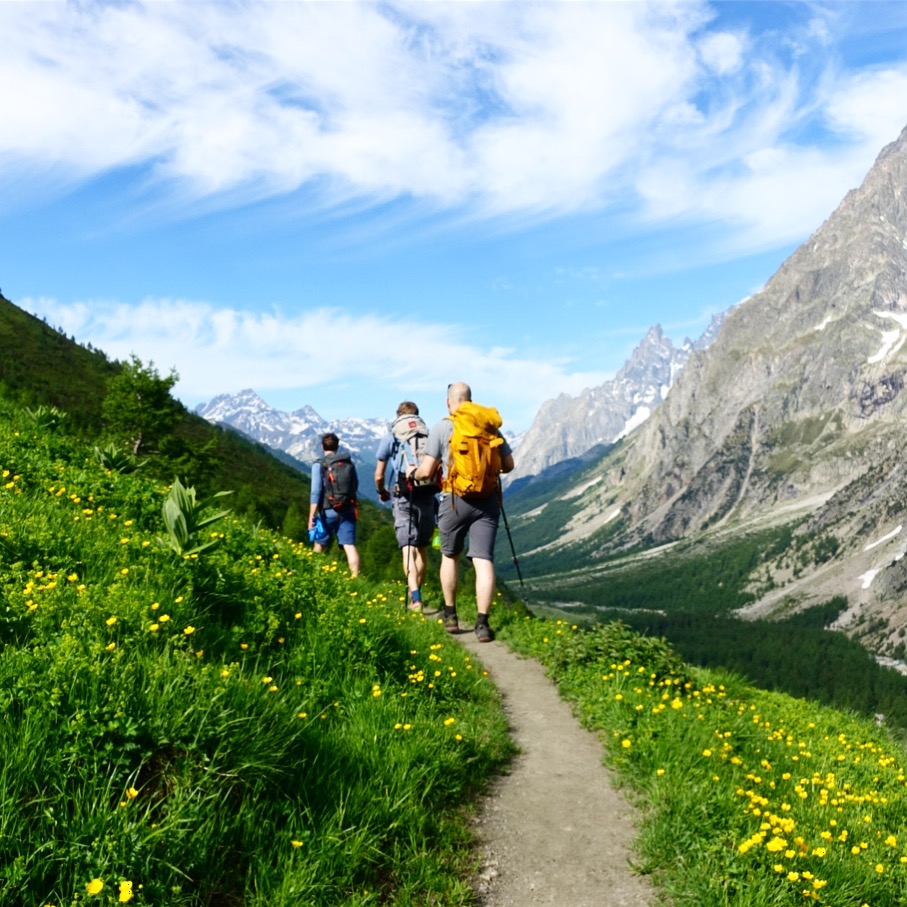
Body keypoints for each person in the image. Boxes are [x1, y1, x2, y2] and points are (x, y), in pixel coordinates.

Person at [408, 381, 514, 642]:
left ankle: (451, 615)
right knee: (483, 560)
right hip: (487, 501)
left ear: (448, 402)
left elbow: (427, 470)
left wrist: (413, 473)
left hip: (453, 500)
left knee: (450, 556)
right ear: (471, 400)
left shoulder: (443, 426)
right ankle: (482, 624)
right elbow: (509, 465)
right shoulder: (488, 424)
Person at [374, 402, 438, 612]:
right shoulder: (428, 434)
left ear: (398, 416)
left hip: (403, 496)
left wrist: (382, 491)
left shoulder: (391, 436)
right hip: (427, 495)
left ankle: (415, 598)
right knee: (422, 548)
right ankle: (417, 591)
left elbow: (379, 474)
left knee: (407, 548)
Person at [308, 432, 361, 577]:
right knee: (349, 546)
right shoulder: (348, 463)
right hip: (347, 509)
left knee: (319, 543)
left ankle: (313, 573)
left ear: (322, 447)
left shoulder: (319, 465)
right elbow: (355, 484)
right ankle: (355, 579)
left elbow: (315, 492)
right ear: (338, 446)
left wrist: (311, 516)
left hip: (328, 510)